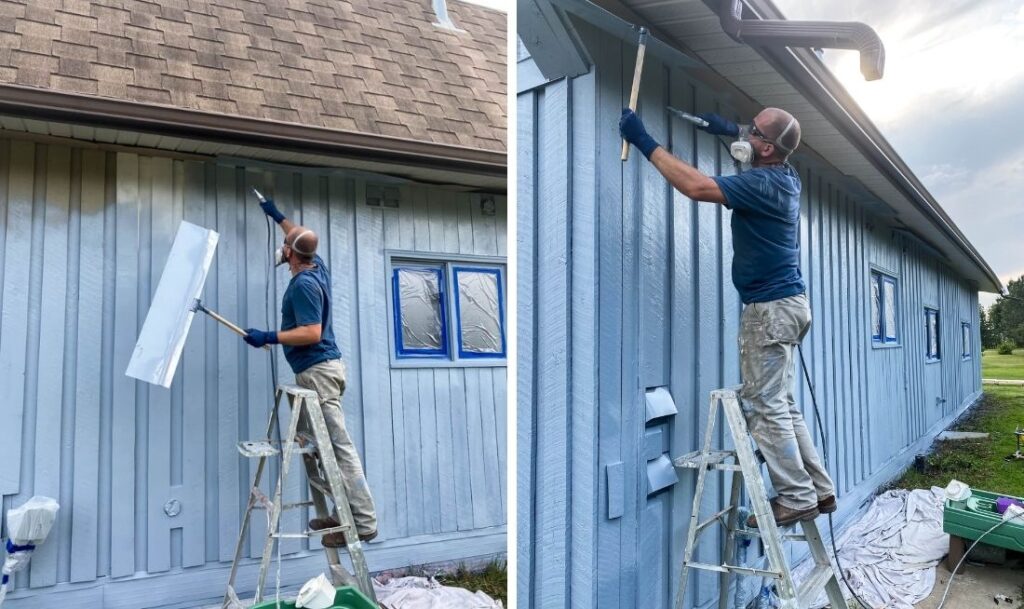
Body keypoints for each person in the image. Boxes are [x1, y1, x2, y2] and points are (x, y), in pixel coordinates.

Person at [619, 106, 836, 527]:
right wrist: (727, 127)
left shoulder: (762, 182)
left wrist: (644, 141)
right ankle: (819, 488)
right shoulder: (786, 175)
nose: (745, 134)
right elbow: (753, 140)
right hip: (791, 306)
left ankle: (795, 496)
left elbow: (697, 188)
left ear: (768, 147)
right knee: (782, 404)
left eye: (752, 132)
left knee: (763, 404)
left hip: (769, 310)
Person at [243, 196, 377, 546]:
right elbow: (299, 235)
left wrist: (269, 336)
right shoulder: (316, 263)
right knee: (317, 445)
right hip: (318, 369)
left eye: (285, 244)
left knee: (337, 446)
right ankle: (340, 512)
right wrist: (277, 216)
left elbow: (311, 332)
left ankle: (362, 523)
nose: (283, 245)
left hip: (318, 370)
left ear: (289, 253)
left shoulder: (303, 284)